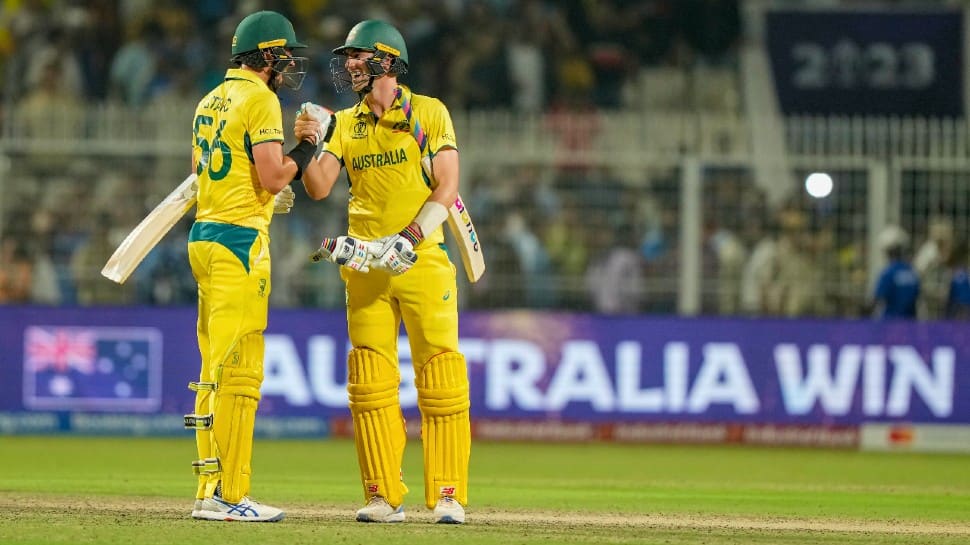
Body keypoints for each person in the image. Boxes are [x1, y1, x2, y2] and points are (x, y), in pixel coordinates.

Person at [295, 19, 470, 524]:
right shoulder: (346, 124)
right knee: (369, 380)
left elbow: (448, 186)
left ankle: (449, 495)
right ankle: (381, 495)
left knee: (440, 377)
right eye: (347, 56)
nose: (350, 64)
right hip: (366, 266)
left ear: (388, 62)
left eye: (360, 56)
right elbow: (320, 187)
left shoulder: (429, 112)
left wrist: (409, 240)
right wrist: (309, 142)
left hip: (422, 260)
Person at [183, 10, 314, 523]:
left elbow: (201, 174)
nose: (287, 66)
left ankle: (207, 488)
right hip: (240, 243)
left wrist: (264, 193)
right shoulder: (261, 99)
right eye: (283, 56)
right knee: (238, 371)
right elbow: (274, 174)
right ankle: (228, 494)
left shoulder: (209, 99)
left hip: (205, 235)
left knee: (211, 368)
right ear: (266, 57)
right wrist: (308, 148)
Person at [870, 225, 919, 319]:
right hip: (910, 323)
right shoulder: (912, 272)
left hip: (890, 324)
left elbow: (877, 299)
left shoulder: (888, 273)